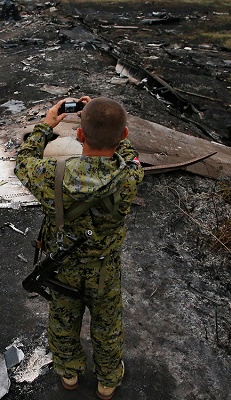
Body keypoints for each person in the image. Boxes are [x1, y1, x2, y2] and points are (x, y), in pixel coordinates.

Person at [14, 96, 144, 399]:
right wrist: (110, 125)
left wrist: (47, 124)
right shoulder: (131, 175)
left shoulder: (51, 174)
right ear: (123, 135)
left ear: (79, 134)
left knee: (62, 321)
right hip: (105, 269)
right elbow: (131, 153)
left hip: (63, 268)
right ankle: (107, 381)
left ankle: (69, 374)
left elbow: (23, 160)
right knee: (107, 325)